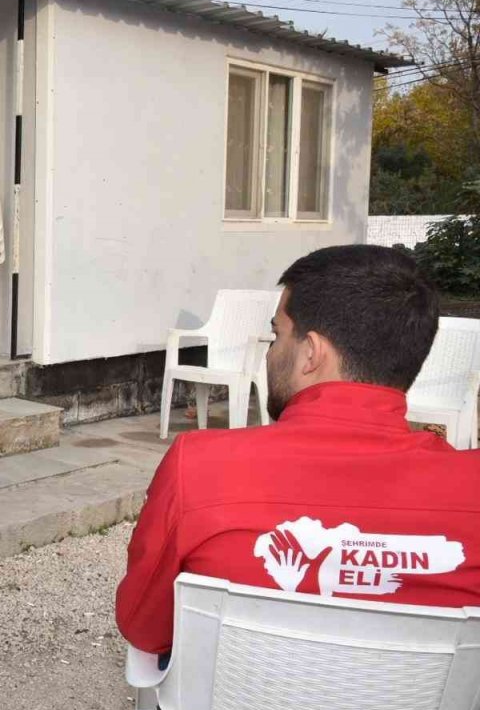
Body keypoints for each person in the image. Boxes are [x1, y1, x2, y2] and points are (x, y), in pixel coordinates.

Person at [117, 243, 480, 650]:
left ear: (311, 352)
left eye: (278, 334)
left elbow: (144, 629)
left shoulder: (200, 466)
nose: (271, 353)